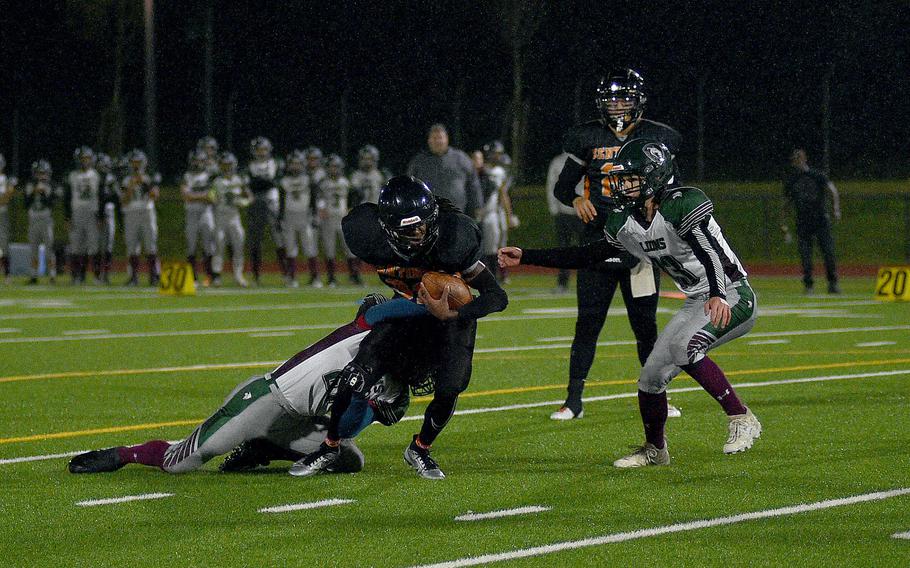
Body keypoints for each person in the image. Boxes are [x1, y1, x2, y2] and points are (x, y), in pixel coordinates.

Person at [500, 139, 762, 467]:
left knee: (684, 349)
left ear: (654, 176)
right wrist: (527, 256)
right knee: (650, 378)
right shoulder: (626, 221)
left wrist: (718, 293)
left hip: (732, 293)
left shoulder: (680, 202)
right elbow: (588, 254)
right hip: (697, 299)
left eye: (631, 177)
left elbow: (707, 249)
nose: (622, 185)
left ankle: (740, 416)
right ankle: (656, 450)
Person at [291, 176, 508, 480]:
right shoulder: (368, 236)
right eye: (409, 230)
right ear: (387, 229)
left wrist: (455, 314)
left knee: (449, 388)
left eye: (423, 225)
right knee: (354, 377)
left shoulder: (454, 239)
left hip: (450, 321)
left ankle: (420, 448)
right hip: (405, 314)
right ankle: (330, 446)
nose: (419, 234)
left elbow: (498, 296)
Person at [67, 294, 426, 475]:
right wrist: (433, 306)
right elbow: (386, 312)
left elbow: (344, 427)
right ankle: (122, 454)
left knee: (350, 459)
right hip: (267, 402)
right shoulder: (363, 330)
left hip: (308, 422)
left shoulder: (395, 391)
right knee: (180, 463)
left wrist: (362, 392)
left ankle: (266, 449)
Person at [549, 68, 682, 421]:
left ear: (638, 100)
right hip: (598, 241)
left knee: (645, 325)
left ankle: (661, 396)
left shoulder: (658, 137)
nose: (617, 105)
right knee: (588, 323)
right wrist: (576, 199)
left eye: (623, 98)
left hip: (642, 248)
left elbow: (673, 186)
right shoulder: (588, 136)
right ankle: (573, 400)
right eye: (611, 99)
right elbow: (562, 189)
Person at [782, 148, 841, 294]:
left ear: (804, 159)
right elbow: (786, 203)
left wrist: (836, 209)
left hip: (820, 220)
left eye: (799, 159)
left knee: (828, 252)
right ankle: (809, 285)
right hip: (803, 222)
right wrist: (783, 223)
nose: (797, 162)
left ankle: (832, 283)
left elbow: (832, 190)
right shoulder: (792, 180)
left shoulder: (816, 175)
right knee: (806, 256)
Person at [406, 123, 482, 217]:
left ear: (446, 139)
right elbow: (409, 186)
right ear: (429, 141)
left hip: (456, 213)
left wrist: (477, 205)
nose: (438, 141)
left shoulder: (461, 158)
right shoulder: (419, 162)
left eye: (440, 138)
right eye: (434, 138)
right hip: (429, 215)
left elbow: (473, 183)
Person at [245, 136, 286, 285]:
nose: (262, 153)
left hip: (272, 202)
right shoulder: (250, 165)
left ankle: (286, 273)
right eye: (259, 150)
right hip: (256, 202)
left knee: (279, 237)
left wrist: (259, 182)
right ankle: (256, 275)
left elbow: (274, 182)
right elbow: (254, 184)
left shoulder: (276, 163)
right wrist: (264, 182)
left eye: (264, 149)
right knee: (256, 239)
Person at [316, 154, 360, 286]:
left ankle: (354, 276)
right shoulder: (323, 183)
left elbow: (355, 196)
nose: (334, 169)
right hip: (328, 218)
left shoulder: (346, 182)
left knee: (349, 248)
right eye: (331, 167)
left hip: (343, 218)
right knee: (329, 249)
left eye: (336, 167)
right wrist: (321, 208)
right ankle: (331, 277)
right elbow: (317, 198)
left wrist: (351, 209)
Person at [119, 149, 161, 286]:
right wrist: (131, 186)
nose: (136, 165)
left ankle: (154, 276)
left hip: (147, 212)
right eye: (134, 162)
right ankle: (133, 277)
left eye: (138, 162)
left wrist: (145, 183)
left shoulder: (150, 177)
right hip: (131, 213)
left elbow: (155, 195)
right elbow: (124, 200)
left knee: (151, 244)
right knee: (132, 246)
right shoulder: (125, 179)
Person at [279, 150, 320, 288]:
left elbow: (313, 199)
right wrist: (280, 218)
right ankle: (292, 277)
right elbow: (281, 201)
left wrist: (315, 215)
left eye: (298, 163)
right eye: (293, 164)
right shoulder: (284, 180)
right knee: (290, 248)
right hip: (289, 217)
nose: (295, 166)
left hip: (305, 217)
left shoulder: (308, 179)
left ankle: (315, 277)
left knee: (310, 247)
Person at [209, 152, 250, 287]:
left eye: (229, 165)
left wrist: (242, 202)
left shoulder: (239, 180)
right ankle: (216, 276)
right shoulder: (217, 181)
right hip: (220, 218)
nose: (227, 168)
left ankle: (238, 275)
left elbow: (249, 197)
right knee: (218, 247)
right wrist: (214, 198)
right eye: (224, 165)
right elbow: (211, 195)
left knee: (239, 246)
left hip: (234, 218)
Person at [546, 152, 585, 293]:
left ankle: (586, 283)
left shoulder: (587, 159)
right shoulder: (557, 162)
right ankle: (562, 283)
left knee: (585, 250)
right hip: (564, 212)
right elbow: (551, 185)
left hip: (582, 212)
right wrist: (554, 209)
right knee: (564, 250)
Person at [64, 146, 103, 284]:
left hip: (92, 213)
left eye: (87, 158)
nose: (85, 161)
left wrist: (101, 217)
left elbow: (101, 197)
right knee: (76, 245)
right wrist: (67, 217)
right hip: (76, 213)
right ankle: (77, 276)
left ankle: (97, 276)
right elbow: (67, 197)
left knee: (94, 245)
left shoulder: (96, 175)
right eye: (82, 158)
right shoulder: (72, 176)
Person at [181, 149, 216, 284]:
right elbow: (186, 196)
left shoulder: (210, 176)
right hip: (191, 213)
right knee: (191, 245)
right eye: (196, 160)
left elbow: (212, 197)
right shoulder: (187, 176)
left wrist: (194, 196)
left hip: (206, 212)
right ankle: (193, 277)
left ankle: (210, 276)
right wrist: (202, 196)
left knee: (208, 245)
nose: (198, 163)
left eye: (200, 160)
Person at [25, 160, 58, 284]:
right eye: (39, 173)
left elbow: (52, 203)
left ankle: (52, 275)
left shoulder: (50, 185)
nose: (41, 176)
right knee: (33, 249)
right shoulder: (30, 185)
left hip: (46, 220)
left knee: (49, 248)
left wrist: (43, 193)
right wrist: (34, 191)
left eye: (43, 173)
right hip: (33, 220)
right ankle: (33, 275)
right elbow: (26, 203)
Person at [92, 153, 118, 284]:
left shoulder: (111, 180)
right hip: (96, 214)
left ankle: (105, 274)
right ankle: (97, 275)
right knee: (96, 246)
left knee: (108, 246)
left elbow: (114, 198)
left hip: (108, 213)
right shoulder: (94, 178)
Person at [0, 154, 16, 282]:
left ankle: (7, 274)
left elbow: (8, 195)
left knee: (4, 244)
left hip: (2, 213)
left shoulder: (6, 179)